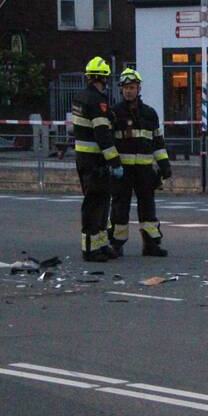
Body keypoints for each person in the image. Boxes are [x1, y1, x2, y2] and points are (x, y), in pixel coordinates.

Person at [108, 68, 172, 257]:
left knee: (148, 207)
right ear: (121, 89)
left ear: (139, 89)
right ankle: (116, 244)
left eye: (132, 87)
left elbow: (158, 142)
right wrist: (112, 165)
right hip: (123, 170)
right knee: (120, 207)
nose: (129, 91)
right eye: (126, 88)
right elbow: (108, 141)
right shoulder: (114, 113)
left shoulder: (150, 114)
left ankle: (151, 244)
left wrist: (164, 165)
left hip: (144, 170)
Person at [72, 56, 122, 262]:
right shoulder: (97, 101)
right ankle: (91, 249)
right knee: (95, 205)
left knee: (102, 202)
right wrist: (115, 162)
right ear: (102, 79)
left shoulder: (81, 97)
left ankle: (100, 245)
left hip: (85, 160)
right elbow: (103, 135)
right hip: (95, 162)